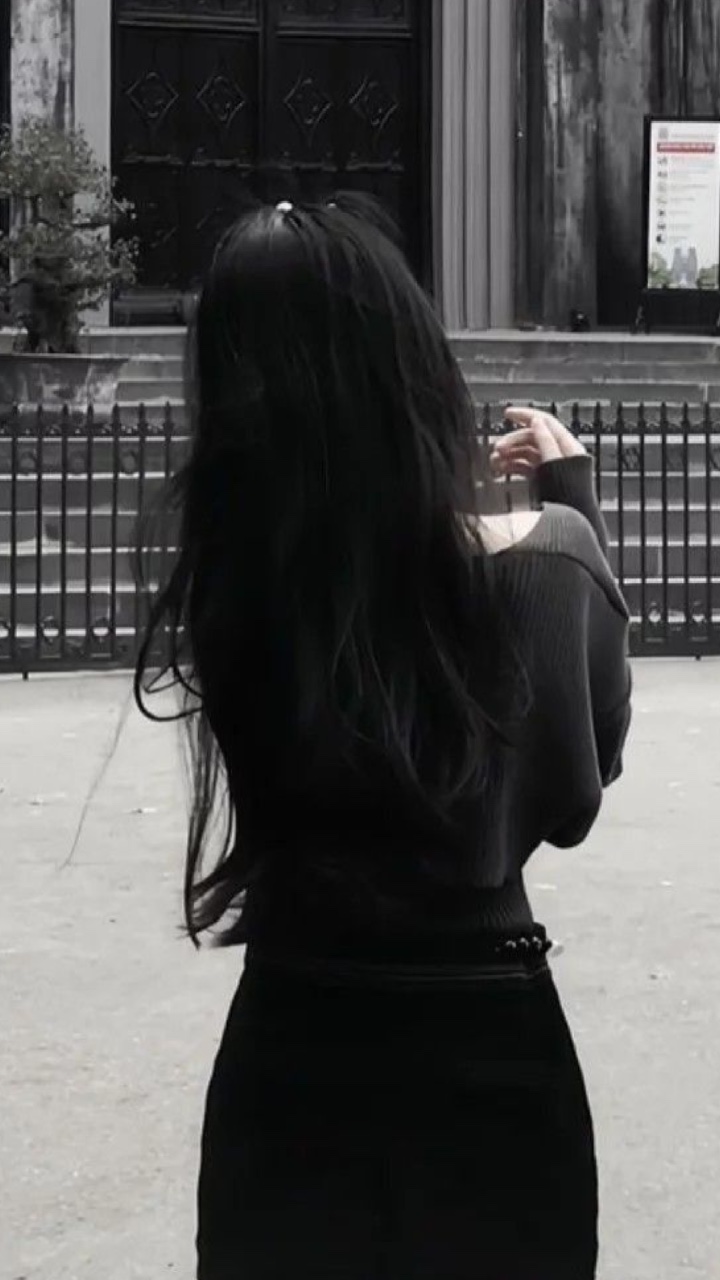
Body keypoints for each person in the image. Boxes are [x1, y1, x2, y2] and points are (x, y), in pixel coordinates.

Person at [134, 196, 632, 1280]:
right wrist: (573, 498)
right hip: (489, 1040)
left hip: (292, 1034)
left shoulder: (233, 590)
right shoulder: (552, 559)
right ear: (412, 360)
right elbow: (584, 779)